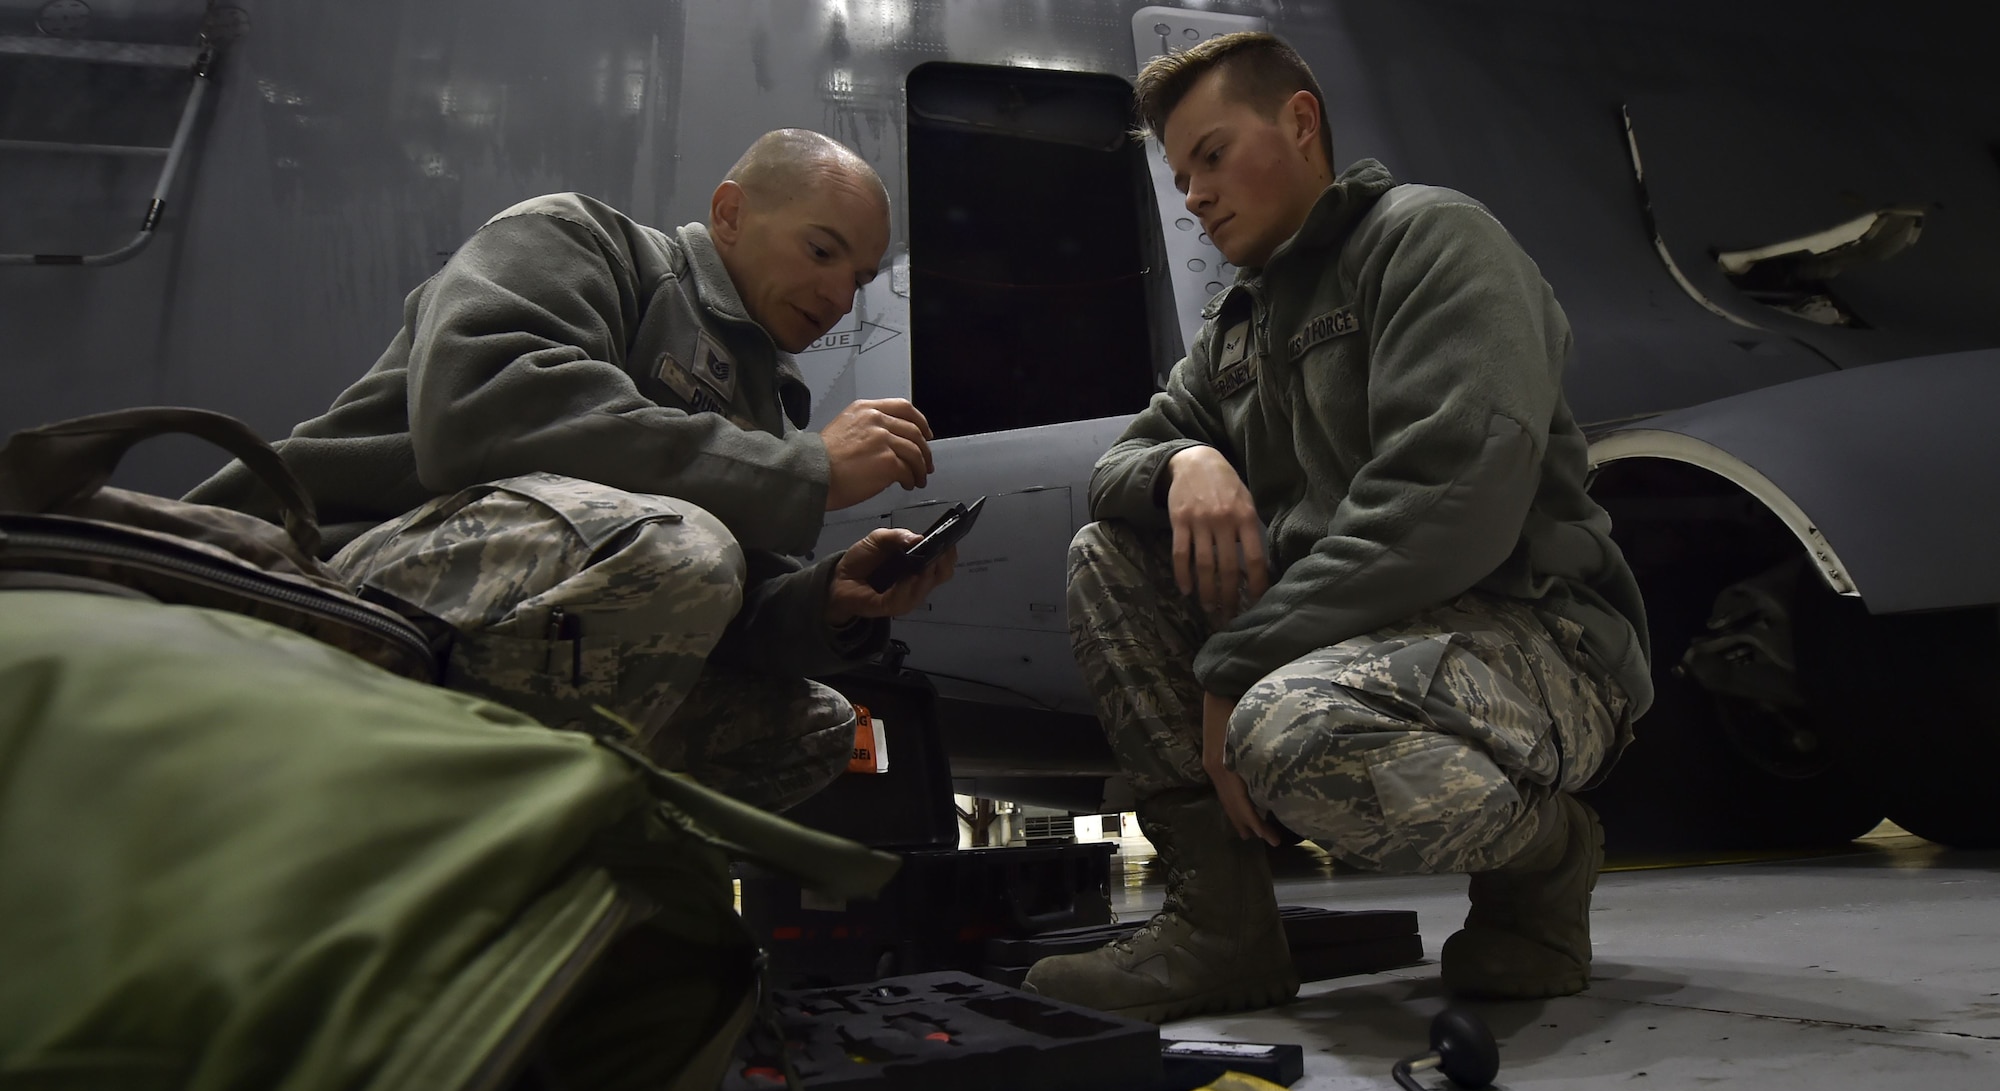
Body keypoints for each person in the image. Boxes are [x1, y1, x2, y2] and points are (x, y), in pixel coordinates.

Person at [1022, 34, 1654, 1022]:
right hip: (1361, 639)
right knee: (1109, 554)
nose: (1193, 194)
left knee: (1290, 729)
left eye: (1213, 155)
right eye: (1181, 173)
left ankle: (1544, 857)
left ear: (1300, 123)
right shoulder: (1236, 329)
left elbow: (1452, 500)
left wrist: (1238, 659)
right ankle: (1221, 931)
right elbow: (1114, 473)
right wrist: (1185, 461)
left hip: (1534, 635)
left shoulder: (1428, 241)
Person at [189, 129, 953, 810]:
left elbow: (712, 611)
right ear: (729, 213)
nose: (838, 297)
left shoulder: (762, 395)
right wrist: (807, 470)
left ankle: (550, 893)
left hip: (484, 617)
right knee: (685, 546)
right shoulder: (579, 240)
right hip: (319, 578)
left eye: (858, 277)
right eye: (821, 251)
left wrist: (831, 603)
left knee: (811, 725)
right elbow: (479, 413)